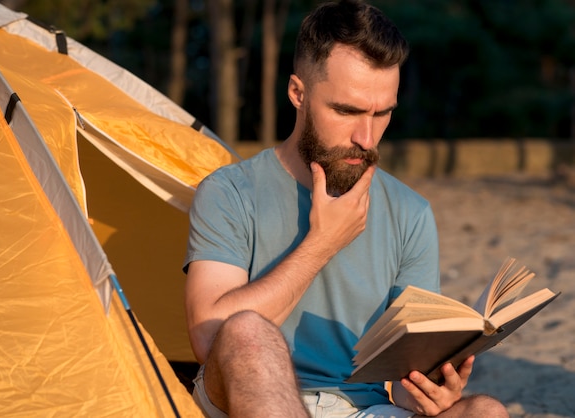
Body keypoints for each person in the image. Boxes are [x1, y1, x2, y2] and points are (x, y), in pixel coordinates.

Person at [183, 1, 510, 417]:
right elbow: (210, 340)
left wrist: (426, 394)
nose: (366, 137)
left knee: (485, 410)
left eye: (382, 113)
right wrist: (321, 244)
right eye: (347, 110)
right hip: (249, 399)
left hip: (364, 409)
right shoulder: (229, 191)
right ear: (298, 93)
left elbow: (402, 376)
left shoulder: (409, 212)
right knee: (246, 330)